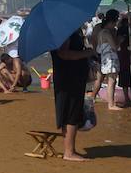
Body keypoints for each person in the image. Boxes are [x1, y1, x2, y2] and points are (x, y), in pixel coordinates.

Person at [51, 26, 94, 161]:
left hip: (73, 76)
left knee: (72, 111)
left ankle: (70, 150)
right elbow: (64, 53)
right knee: (70, 112)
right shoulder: (64, 30)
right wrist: (86, 53)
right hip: (68, 77)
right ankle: (69, 152)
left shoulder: (70, 30)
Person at [89, 11, 121, 111]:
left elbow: (98, 48)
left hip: (103, 59)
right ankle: (111, 104)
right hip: (111, 59)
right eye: (115, 22)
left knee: (102, 79)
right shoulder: (107, 32)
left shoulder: (100, 31)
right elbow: (115, 47)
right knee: (111, 81)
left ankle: (94, 98)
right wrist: (120, 40)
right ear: (111, 22)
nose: (116, 25)